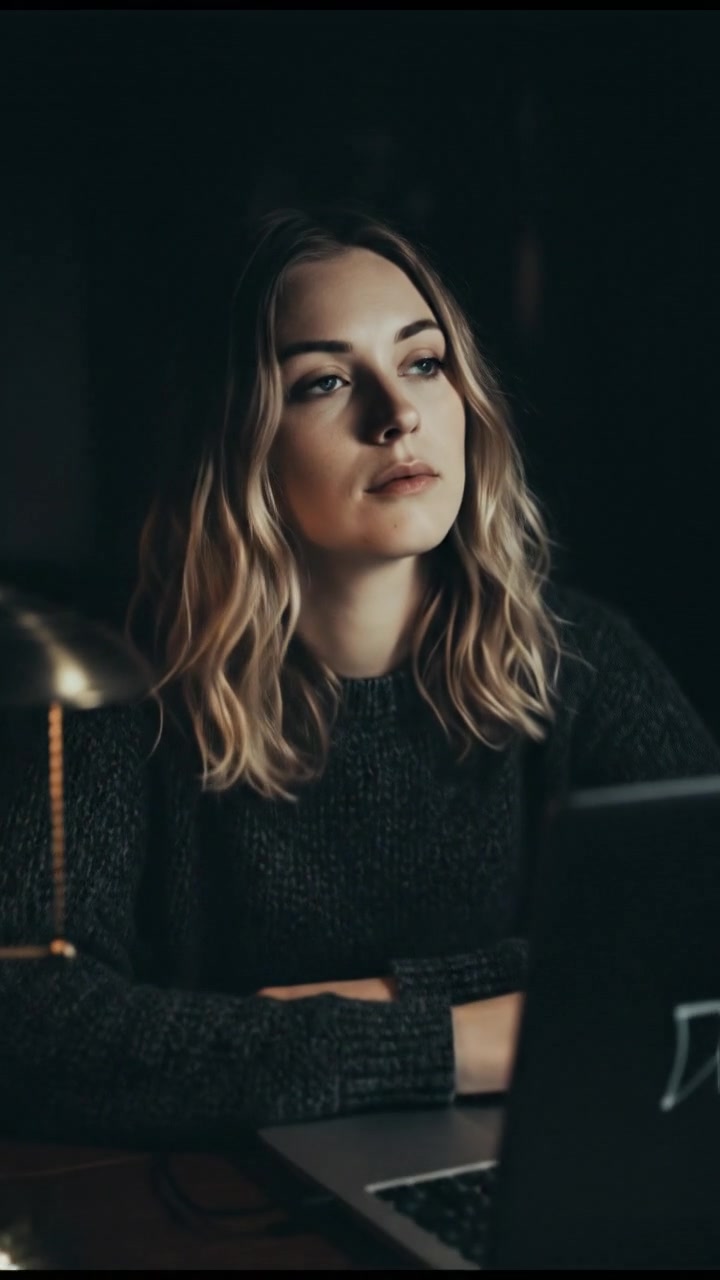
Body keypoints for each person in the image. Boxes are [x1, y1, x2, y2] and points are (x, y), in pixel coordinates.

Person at [1, 207, 719, 1147]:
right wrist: (458, 1041)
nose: (398, 414)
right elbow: (26, 1016)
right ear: (239, 442)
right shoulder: (124, 695)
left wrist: (393, 994)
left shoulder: (577, 654)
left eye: (423, 362)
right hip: (229, 1213)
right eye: (325, 381)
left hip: (534, 1180)